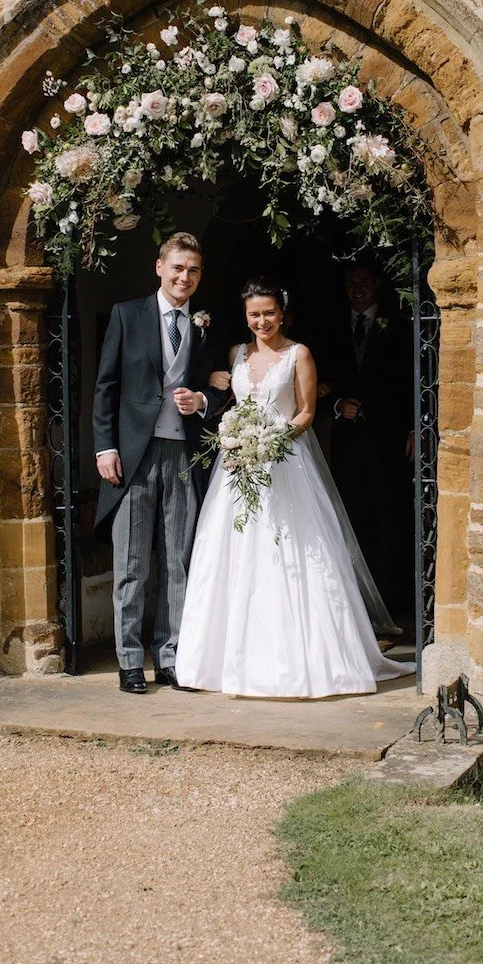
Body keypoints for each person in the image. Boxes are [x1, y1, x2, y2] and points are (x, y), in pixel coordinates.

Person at [175, 277, 414, 698]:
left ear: (282, 312)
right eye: (254, 314)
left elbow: (305, 413)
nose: (262, 321)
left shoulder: (298, 354)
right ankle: (225, 661)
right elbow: (230, 403)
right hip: (237, 467)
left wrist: (271, 442)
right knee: (231, 556)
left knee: (291, 556)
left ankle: (301, 659)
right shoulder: (236, 354)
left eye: (269, 313)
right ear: (245, 317)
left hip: (284, 465)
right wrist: (233, 427)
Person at [93, 232, 228, 694]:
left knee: (178, 562)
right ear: (159, 268)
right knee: (131, 562)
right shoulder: (127, 315)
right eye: (177, 268)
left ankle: (170, 656)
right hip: (133, 454)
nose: (184, 277)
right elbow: (106, 386)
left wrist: (204, 400)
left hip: (184, 454)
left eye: (192, 270)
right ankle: (130, 660)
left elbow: (221, 387)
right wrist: (104, 447)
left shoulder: (206, 325)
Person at [327, 254, 414, 618]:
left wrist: (414, 426)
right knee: (352, 517)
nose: (356, 290)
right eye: (350, 284)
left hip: (389, 437)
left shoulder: (401, 322)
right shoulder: (331, 326)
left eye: (363, 282)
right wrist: (336, 404)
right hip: (347, 441)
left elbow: (415, 374)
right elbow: (317, 377)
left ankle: (390, 605)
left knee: (387, 518)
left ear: (376, 284)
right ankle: (358, 606)